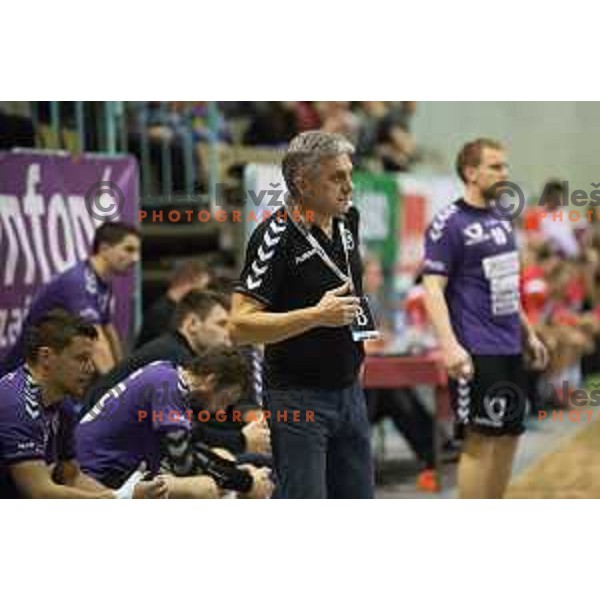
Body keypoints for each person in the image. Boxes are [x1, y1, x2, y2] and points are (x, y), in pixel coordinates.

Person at [230, 130, 374, 499]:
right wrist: (314, 316)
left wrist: (360, 348)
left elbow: (350, 289)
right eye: (336, 177)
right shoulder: (274, 236)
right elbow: (240, 326)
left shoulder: (347, 221)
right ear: (302, 183)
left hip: (349, 391)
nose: (349, 187)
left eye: (349, 174)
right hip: (299, 399)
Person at [422, 138, 548, 499]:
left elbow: (508, 287)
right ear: (470, 172)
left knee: (509, 436)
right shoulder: (449, 223)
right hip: (476, 348)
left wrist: (529, 335)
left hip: (509, 345)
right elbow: (433, 289)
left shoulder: (501, 220)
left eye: (505, 166)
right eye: (495, 166)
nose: (504, 173)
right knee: (481, 439)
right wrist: (450, 346)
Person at [0, 310, 168, 499]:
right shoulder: (17, 405)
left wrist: (119, 497)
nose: (90, 368)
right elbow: (39, 493)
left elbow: (71, 476)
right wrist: (117, 499)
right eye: (81, 359)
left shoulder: (62, 404)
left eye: (90, 359)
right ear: (46, 357)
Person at [83, 290, 270, 456]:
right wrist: (241, 440)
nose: (227, 335)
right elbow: (192, 430)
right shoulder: (173, 360)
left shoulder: (175, 353)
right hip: (103, 452)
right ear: (192, 324)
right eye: (221, 324)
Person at [76, 346, 272, 499]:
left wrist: (239, 472)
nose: (220, 411)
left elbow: (192, 448)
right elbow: (183, 464)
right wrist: (246, 482)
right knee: (204, 488)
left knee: (223, 458)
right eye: (224, 401)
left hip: (108, 467)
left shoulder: (168, 373)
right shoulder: (168, 387)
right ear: (211, 381)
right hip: (96, 476)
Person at [0, 221, 141, 377]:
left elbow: (108, 330)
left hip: (50, 375)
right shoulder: (79, 283)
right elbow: (98, 344)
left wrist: (123, 375)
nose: (135, 258)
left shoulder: (103, 281)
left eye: (137, 251)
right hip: (23, 379)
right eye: (129, 249)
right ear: (104, 248)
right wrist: (119, 389)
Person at [136, 259, 212, 347]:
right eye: (202, 287)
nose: (203, 294)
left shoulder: (168, 309)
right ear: (188, 281)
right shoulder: (161, 313)